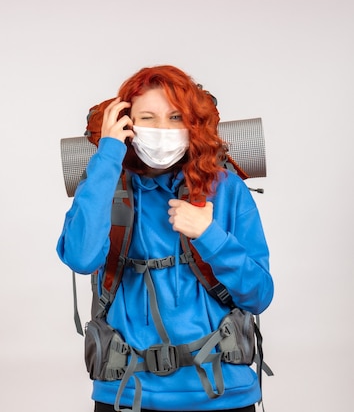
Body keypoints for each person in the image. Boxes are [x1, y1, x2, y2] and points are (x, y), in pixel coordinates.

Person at [56, 65, 274, 412]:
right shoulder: (104, 185)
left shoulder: (226, 189)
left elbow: (259, 295)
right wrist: (109, 154)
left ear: (193, 124)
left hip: (223, 395)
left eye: (176, 117)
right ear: (126, 123)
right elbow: (81, 258)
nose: (162, 129)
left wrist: (209, 235)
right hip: (127, 394)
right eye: (148, 117)